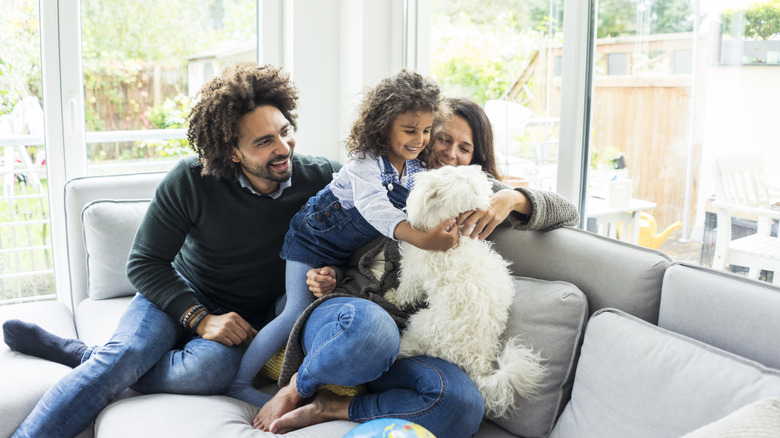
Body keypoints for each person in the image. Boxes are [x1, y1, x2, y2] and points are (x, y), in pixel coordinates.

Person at [1, 63, 341, 438]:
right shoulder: (191, 180)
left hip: (240, 320)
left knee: (211, 371)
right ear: (232, 152)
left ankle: (89, 355)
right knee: (126, 356)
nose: (282, 148)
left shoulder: (321, 178)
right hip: (176, 297)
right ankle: (105, 365)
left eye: (285, 131)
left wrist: (333, 274)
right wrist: (199, 318)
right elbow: (144, 264)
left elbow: (361, 234)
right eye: (263, 142)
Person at [238, 97, 580, 437]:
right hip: (353, 317)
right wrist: (331, 275)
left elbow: (568, 212)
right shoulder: (386, 176)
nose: (450, 153)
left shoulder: (469, 196)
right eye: (444, 139)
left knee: (463, 407)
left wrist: (512, 198)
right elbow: (341, 244)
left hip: (410, 344)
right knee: (372, 332)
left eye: (465, 148)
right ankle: (296, 388)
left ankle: (332, 407)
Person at [227, 69, 458, 406]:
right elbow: (375, 209)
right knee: (294, 312)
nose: (419, 139)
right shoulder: (366, 161)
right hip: (312, 240)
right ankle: (238, 382)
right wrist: (424, 239)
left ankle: (281, 307)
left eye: (426, 130)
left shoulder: (415, 170)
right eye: (409, 130)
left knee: (298, 300)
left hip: (341, 255)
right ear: (383, 127)